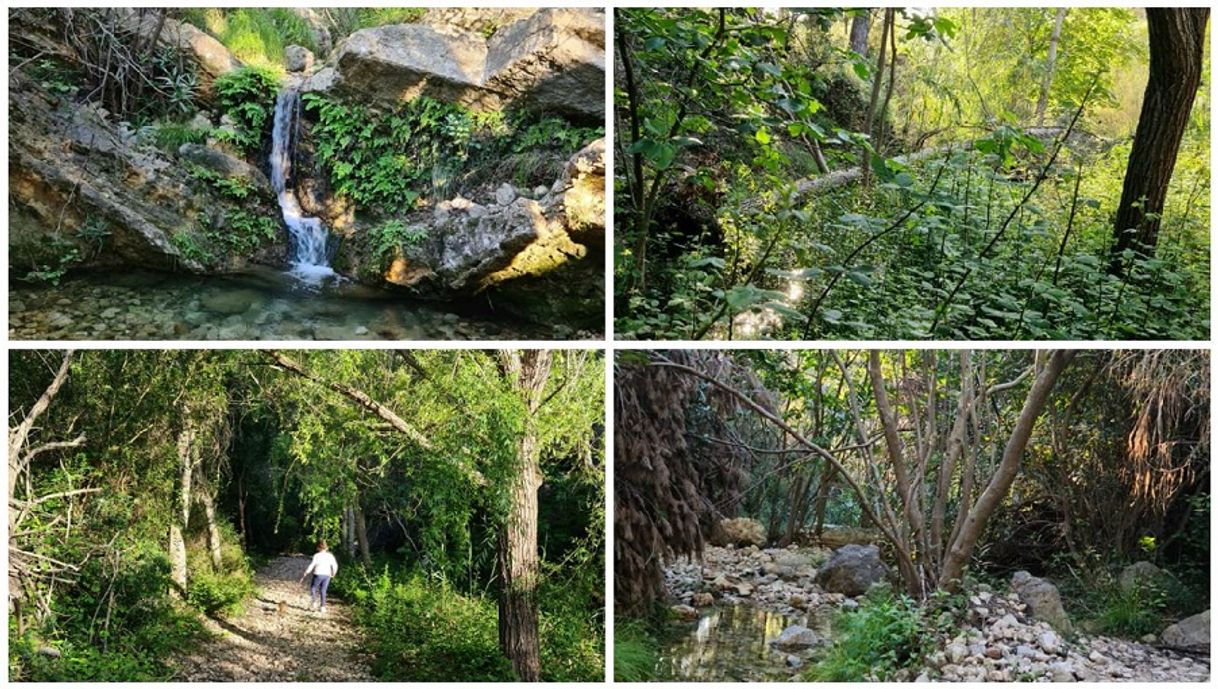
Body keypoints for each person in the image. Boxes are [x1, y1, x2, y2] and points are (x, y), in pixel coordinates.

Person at [299, 540, 338, 613]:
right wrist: (334, 573)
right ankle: (323, 607)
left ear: (318, 548)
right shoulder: (330, 556)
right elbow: (335, 565)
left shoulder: (317, 555)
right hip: (327, 575)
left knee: (313, 588)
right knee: (323, 590)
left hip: (318, 574)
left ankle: (314, 602)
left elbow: (312, 565)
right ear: (326, 548)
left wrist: (306, 572)